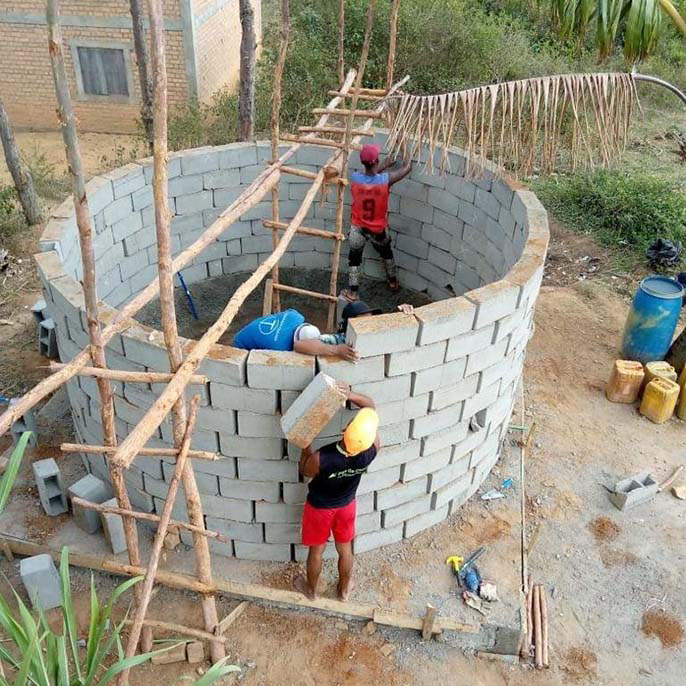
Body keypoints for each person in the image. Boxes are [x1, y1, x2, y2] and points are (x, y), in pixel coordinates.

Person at [295, 388, 380, 601]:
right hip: (346, 506)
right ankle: (343, 591)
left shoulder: (321, 457)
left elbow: (305, 471)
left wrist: (305, 447)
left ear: (345, 429)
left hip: (319, 509)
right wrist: (349, 395)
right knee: (345, 550)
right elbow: (371, 407)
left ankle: (311, 591)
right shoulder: (372, 451)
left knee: (316, 552)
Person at [345, 143, 412, 299]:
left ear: (363, 162)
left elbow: (368, 176)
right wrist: (403, 145)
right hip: (378, 230)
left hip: (358, 228)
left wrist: (382, 166)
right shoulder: (385, 180)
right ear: (376, 161)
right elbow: (407, 167)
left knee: (354, 260)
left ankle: (352, 292)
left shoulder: (355, 178)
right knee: (387, 254)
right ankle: (393, 282)